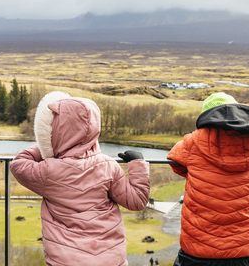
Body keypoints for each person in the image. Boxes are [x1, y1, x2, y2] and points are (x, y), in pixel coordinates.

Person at [10, 91, 150, 266]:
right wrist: (138, 163)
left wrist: (46, 144)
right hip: (111, 259)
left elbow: (18, 165)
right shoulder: (108, 165)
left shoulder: (49, 170)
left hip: (66, 260)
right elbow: (137, 201)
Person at [167, 92, 249, 266]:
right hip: (242, 251)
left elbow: (176, 163)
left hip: (197, 249)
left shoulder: (191, 143)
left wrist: (197, 174)